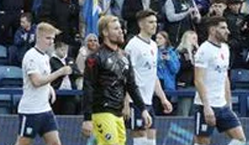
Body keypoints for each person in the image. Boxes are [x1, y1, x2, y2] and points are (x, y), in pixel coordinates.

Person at [80, 15, 150, 145]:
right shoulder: (95, 57)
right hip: (102, 111)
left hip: (118, 113)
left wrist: (143, 109)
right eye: (116, 28)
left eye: (121, 28)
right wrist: (87, 118)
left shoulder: (124, 56)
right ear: (105, 32)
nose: (121, 31)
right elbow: (88, 86)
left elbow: (131, 85)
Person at [16, 21, 71, 145]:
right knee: (23, 143)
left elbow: (45, 78)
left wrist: (50, 88)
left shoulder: (46, 57)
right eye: (48, 38)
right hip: (30, 110)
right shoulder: (31, 56)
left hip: (45, 109)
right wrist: (59, 72)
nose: (51, 41)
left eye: (52, 38)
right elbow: (36, 81)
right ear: (39, 37)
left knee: (55, 143)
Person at [193, 16, 246, 144]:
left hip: (222, 105)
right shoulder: (204, 50)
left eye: (226, 28)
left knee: (240, 140)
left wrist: (229, 103)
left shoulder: (225, 48)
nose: (227, 31)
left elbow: (225, 77)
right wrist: (207, 107)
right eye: (223, 28)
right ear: (212, 30)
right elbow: (198, 80)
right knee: (202, 142)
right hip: (205, 105)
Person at [124, 10, 173, 145]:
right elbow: (127, 76)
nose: (154, 25)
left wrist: (163, 98)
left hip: (149, 100)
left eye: (155, 22)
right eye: (150, 22)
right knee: (140, 135)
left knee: (151, 137)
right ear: (141, 25)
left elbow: (153, 74)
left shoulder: (153, 45)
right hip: (136, 100)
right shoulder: (133, 46)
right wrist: (126, 102)